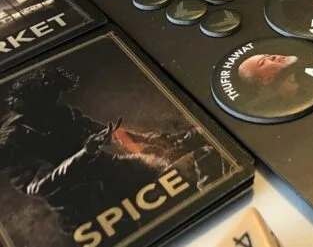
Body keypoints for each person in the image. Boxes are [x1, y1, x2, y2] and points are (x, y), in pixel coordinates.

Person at [0, 66, 219, 236]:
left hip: (107, 171)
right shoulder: (12, 142)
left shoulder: (59, 112)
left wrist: (151, 139)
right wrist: (85, 154)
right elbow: (39, 186)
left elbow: (102, 130)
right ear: (34, 105)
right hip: (83, 204)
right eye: (50, 103)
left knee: (167, 168)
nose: (56, 107)